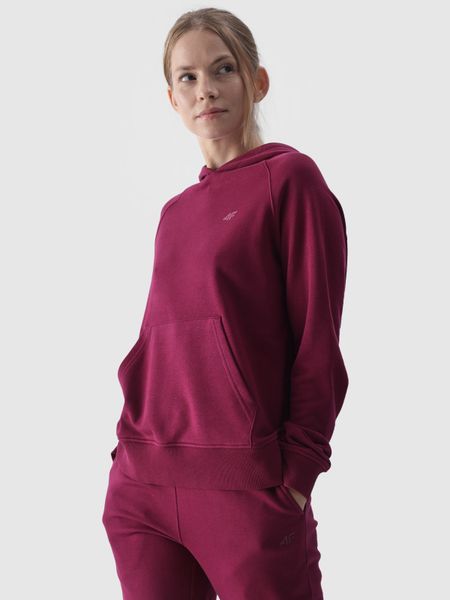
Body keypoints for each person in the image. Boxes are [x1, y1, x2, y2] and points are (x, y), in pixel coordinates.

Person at [102, 8, 349, 600]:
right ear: (172, 99)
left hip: (248, 488)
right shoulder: (175, 213)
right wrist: (125, 453)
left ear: (256, 81)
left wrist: (297, 475)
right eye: (187, 77)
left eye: (223, 69)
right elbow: (160, 338)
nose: (205, 89)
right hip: (143, 485)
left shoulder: (290, 181)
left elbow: (317, 340)